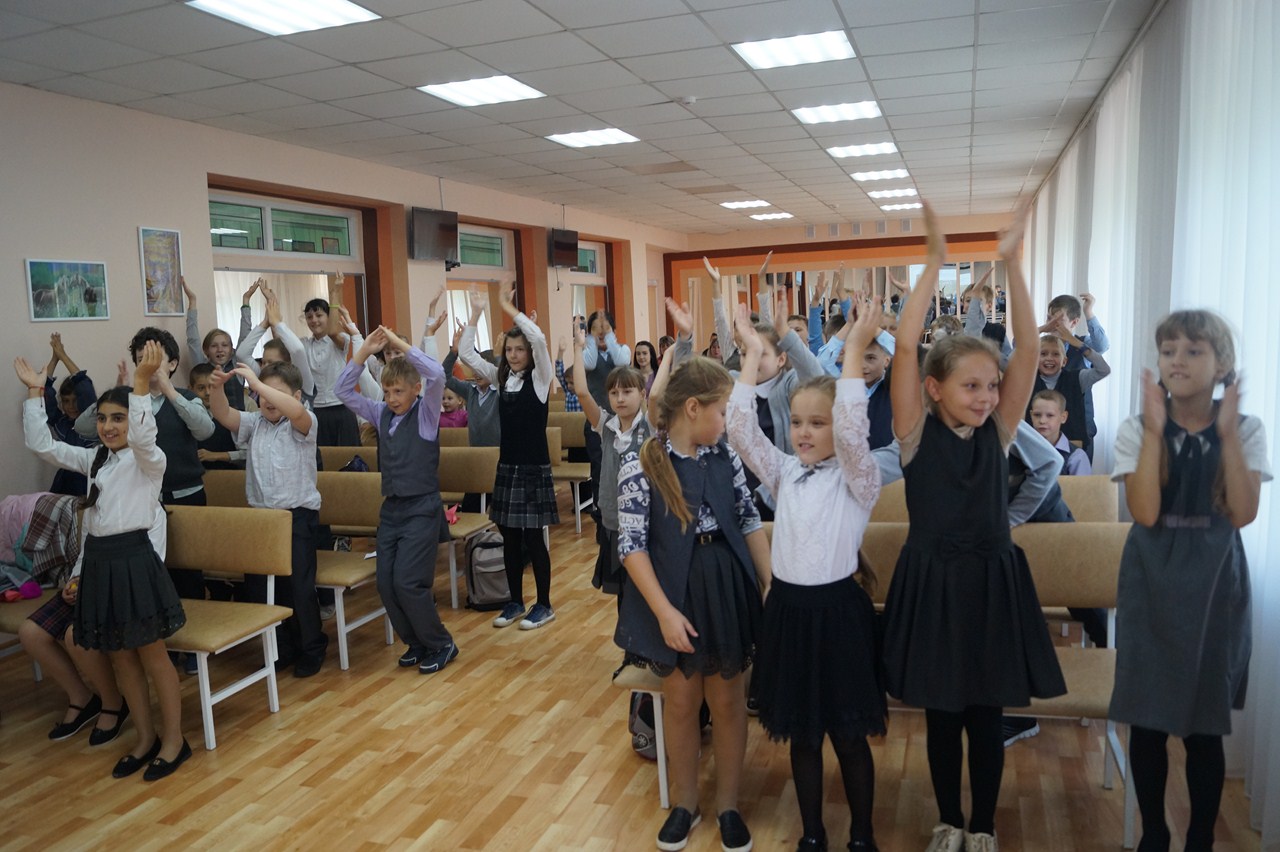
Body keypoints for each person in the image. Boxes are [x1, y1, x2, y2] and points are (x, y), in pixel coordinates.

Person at [881, 205, 1065, 852]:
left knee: (986, 715)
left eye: (991, 385)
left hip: (991, 582)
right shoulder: (913, 433)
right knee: (942, 716)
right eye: (971, 387)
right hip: (933, 582)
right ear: (934, 389)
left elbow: (1025, 349)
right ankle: (948, 820)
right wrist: (933, 264)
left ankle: (982, 823)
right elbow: (906, 347)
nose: (986, 396)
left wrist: (1014, 264)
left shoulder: (1000, 431)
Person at [727, 299, 886, 852]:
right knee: (802, 736)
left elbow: (852, 430)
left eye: (817, 423)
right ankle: (812, 834)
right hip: (789, 614)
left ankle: (862, 836)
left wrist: (854, 351)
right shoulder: (784, 472)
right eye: (796, 422)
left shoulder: (858, 477)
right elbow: (741, 428)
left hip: (839, 615)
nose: (803, 432)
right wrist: (751, 353)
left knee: (848, 735)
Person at [1109, 310, 1269, 852]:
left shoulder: (1246, 427)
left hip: (1215, 584)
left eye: (1193, 351)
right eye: (1168, 350)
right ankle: (1154, 833)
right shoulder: (1138, 427)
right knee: (1147, 720)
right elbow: (1145, 512)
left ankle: (1200, 838)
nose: (1177, 361)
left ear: (1221, 364)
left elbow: (1243, 514)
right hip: (1151, 579)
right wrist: (1156, 432)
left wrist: (1227, 438)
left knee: (1205, 725)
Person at [615, 353, 770, 852]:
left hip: (724, 585)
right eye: (722, 411)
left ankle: (728, 805)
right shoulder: (643, 462)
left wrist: (768, 580)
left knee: (727, 701)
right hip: (673, 591)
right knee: (681, 702)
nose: (726, 421)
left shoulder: (723, 457)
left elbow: (748, 519)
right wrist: (664, 612)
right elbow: (631, 546)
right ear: (693, 408)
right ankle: (685, 802)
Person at [18, 343, 190, 781]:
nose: (109, 426)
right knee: (121, 657)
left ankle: (174, 741)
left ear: (133, 419)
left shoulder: (149, 460)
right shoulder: (95, 457)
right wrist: (36, 394)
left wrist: (139, 384)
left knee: (152, 657)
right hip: (100, 563)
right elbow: (43, 445)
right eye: (103, 419)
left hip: (135, 562)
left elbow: (145, 438)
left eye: (118, 418)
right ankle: (145, 737)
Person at [335, 327, 458, 674]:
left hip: (421, 508)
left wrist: (399, 344)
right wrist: (363, 352)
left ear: (416, 390)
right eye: (387, 391)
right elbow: (341, 390)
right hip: (391, 509)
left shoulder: (426, 414)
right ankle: (416, 642)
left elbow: (437, 375)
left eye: (399, 391)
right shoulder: (380, 413)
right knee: (386, 584)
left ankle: (441, 643)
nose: (391, 398)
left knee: (408, 582)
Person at [74, 328, 215, 610]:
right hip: (139, 501)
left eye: (155, 359)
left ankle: (192, 630)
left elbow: (205, 430)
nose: (147, 365)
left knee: (188, 574)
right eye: (142, 359)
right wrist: (115, 392)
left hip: (185, 496)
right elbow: (82, 428)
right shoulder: (128, 402)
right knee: (150, 572)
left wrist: (168, 389)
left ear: (172, 364)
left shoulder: (186, 397)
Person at [207, 360, 328, 678]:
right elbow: (223, 414)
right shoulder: (255, 423)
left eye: (277, 394)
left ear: (296, 395)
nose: (267, 400)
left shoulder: (304, 422)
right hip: (261, 519)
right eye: (262, 395)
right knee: (262, 589)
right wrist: (217, 388)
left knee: (299, 588)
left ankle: (311, 647)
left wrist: (258, 385)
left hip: (296, 517)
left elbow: (296, 413)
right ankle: (280, 649)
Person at [459, 285, 559, 631]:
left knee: (533, 538)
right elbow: (466, 354)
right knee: (510, 538)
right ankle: (515, 601)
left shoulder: (541, 378)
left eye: (520, 350)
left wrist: (507, 306)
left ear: (529, 353)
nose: (514, 355)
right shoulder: (502, 379)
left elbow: (540, 340)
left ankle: (544, 604)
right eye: (510, 350)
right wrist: (475, 314)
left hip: (533, 468)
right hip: (508, 467)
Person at [571, 326, 650, 597]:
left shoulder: (650, 428)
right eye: (614, 393)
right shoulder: (606, 426)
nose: (620, 398)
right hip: (613, 521)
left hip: (645, 523)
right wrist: (578, 348)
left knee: (644, 593)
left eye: (627, 392)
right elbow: (582, 392)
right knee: (622, 596)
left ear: (642, 394)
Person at [1029, 332, 1110, 459]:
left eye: (1055, 354)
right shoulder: (1027, 382)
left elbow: (1103, 370)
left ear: (1064, 361)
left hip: (1072, 450)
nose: (1049, 358)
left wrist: (1079, 345)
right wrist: (1040, 329)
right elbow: (1009, 363)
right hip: (1034, 451)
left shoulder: (1077, 379)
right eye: (1043, 354)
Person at [302, 273, 361, 446]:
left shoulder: (341, 339)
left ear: (329, 317)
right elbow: (282, 345)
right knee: (323, 457)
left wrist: (335, 295)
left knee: (349, 456)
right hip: (317, 409)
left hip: (342, 407)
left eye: (319, 315)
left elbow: (333, 331)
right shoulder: (304, 344)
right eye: (309, 317)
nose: (314, 320)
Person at [41, 332, 98, 496]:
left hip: (89, 484)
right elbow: (42, 391)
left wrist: (64, 356)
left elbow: (85, 391)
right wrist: (55, 358)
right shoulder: (62, 424)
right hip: (64, 485)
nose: (71, 406)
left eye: (76, 401)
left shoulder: (95, 424)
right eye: (66, 401)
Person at [183, 276, 247, 410]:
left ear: (232, 349)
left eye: (225, 345)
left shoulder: (237, 367)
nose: (220, 349)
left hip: (238, 421)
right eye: (214, 346)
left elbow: (245, 337)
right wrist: (192, 302)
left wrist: (246, 303)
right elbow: (193, 340)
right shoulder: (202, 366)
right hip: (211, 420)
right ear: (206, 350)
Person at [189, 363, 245, 470]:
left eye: (211, 386)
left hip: (229, 474)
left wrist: (216, 456)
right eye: (201, 388)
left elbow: (247, 454)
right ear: (191, 389)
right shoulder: (187, 417)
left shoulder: (232, 417)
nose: (207, 393)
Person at [1027, 389, 1091, 475]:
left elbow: (1083, 484)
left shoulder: (1076, 457)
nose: (1042, 421)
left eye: (1050, 415)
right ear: (1031, 415)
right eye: (1037, 415)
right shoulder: (1022, 450)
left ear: (1063, 417)